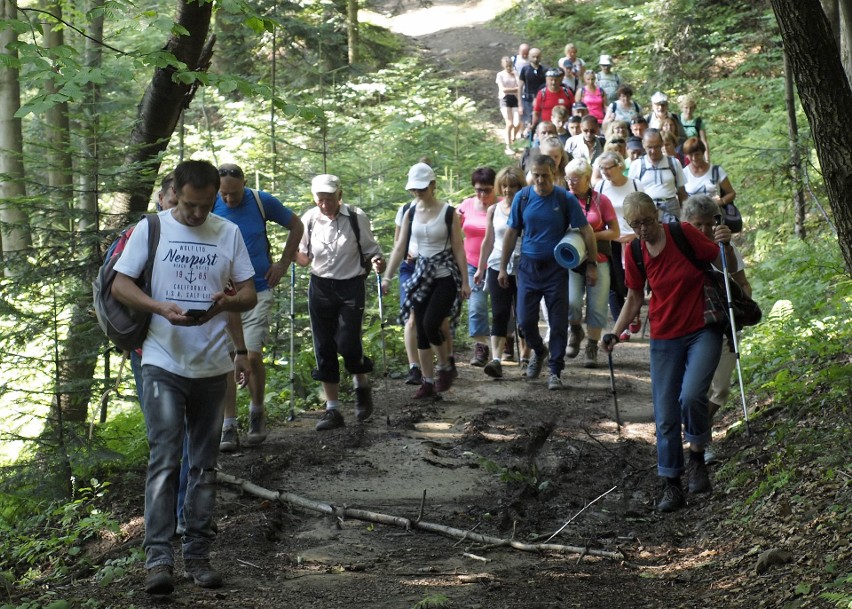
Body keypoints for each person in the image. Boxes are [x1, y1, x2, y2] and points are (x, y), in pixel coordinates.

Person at [113, 159, 257, 594]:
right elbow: (121, 285)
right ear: (175, 191)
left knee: (204, 465)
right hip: (162, 360)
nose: (197, 214)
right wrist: (159, 307)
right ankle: (159, 560)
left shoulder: (227, 232)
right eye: (191, 205)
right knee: (164, 459)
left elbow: (248, 293)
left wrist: (225, 304)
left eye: (206, 205)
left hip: (213, 367)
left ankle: (198, 555)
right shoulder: (151, 229)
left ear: (216, 194)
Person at [601, 191, 734, 513]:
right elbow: (634, 297)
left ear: (657, 217)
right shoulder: (633, 251)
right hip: (664, 336)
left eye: (647, 221)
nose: (643, 229)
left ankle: (697, 456)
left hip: (703, 327)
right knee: (665, 417)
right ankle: (671, 484)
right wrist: (614, 332)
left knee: (691, 396)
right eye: (636, 224)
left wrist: (725, 243)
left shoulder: (683, 233)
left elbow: (720, 261)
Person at [214, 163, 304, 450]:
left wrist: (283, 262)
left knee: (251, 356)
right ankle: (229, 425)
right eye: (224, 194)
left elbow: (296, 225)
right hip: (223, 295)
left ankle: (256, 411)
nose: (229, 199)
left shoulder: (261, 200)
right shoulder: (210, 204)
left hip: (258, 289)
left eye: (234, 194)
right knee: (227, 360)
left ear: (244, 184)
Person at [499, 154, 598, 390]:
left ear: (554, 174)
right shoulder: (522, 198)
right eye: (536, 174)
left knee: (557, 321)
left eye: (545, 175)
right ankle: (539, 351)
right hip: (528, 269)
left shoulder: (564, 199)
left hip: (556, 270)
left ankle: (555, 370)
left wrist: (592, 263)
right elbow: (511, 233)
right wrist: (503, 267)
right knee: (524, 321)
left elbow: (586, 231)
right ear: (531, 174)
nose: (540, 179)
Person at [295, 174, 384, 431]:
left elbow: (371, 250)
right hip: (320, 286)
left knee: (348, 342)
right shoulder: (310, 219)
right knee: (323, 346)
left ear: (339, 195)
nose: (325, 204)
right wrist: (289, 254)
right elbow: (303, 257)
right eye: (320, 199)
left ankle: (361, 385)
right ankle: (333, 410)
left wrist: (378, 261)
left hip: (351, 286)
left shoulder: (356, 217)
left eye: (329, 199)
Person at [383, 163, 470, 398]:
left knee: (432, 323)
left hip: (444, 276)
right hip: (420, 275)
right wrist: (387, 277)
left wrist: (465, 281)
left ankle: (444, 367)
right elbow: (400, 246)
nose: (418, 193)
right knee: (421, 330)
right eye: (414, 189)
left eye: (422, 188)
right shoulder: (410, 212)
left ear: (433, 185)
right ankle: (428, 382)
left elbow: (459, 248)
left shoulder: (448, 212)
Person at [681, 195, 752, 462]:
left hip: (723, 323)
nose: (703, 230)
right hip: (690, 327)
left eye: (708, 224)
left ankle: (696, 430)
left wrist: (742, 304)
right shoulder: (679, 249)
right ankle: (701, 441)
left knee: (720, 388)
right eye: (696, 224)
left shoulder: (726, 249)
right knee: (697, 390)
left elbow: (742, 282)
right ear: (686, 223)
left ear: (717, 223)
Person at [564, 159, 619, 368]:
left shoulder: (600, 200)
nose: (570, 183)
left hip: (599, 259)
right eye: (568, 178)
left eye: (575, 179)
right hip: (570, 260)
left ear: (587, 179)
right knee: (571, 302)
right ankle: (575, 330)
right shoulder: (563, 199)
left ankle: (592, 345)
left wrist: (589, 237)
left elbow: (615, 231)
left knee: (597, 305)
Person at [473, 166, 527, 377]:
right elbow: (489, 240)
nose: (507, 190)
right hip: (496, 265)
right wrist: (480, 267)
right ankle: (496, 360)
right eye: (504, 186)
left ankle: (526, 357)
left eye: (512, 186)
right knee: (499, 313)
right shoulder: (493, 210)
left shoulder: (527, 207)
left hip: (523, 265)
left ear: (520, 187)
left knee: (523, 314)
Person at [595, 151, 644, 336]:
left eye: (609, 167)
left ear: (620, 166)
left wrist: (636, 234)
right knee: (614, 284)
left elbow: (645, 210)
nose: (606, 171)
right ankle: (620, 327)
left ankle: (635, 311)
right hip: (611, 240)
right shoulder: (599, 187)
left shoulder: (635, 184)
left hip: (634, 239)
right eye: (602, 168)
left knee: (633, 281)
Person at [458, 168, 498, 367]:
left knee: (502, 306)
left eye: (487, 190)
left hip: (498, 263)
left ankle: (505, 340)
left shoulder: (502, 205)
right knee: (476, 307)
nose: (482, 195)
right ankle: (481, 347)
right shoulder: (466, 205)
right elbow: (455, 232)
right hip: (472, 263)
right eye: (478, 190)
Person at [628, 129, 687, 221]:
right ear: (643, 144)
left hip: (671, 208)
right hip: (646, 209)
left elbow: (682, 192)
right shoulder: (636, 165)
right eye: (649, 147)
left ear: (662, 143)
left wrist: (685, 216)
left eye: (657, 146)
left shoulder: (674, 163)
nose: (653, 151)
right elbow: (631, 194)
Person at [682, 138, 736, 208]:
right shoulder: (683, 173)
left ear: (703, 152)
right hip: (692, 215)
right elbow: (681, 197)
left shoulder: (717, 171)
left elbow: (731, 193)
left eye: (697, 154)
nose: (694, 158)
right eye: (690, 155)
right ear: (686, 155)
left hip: (714, 214)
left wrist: (722, 201)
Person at [496, 57, 521, 154]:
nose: (509, 68)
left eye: (510, 66)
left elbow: (520, 87)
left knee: (517, 123)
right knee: (509, 123)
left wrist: (516, 76)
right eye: (507, 67)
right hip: (504, 99)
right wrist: (515, 89)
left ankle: (513, 138)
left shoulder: (515, 74)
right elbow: (503, 89)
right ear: (503, 66)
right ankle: (508, 145)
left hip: (515, 99)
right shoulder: (500, 75)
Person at [518, 48, 546, 135]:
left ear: (540, 57)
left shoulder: (544, 70)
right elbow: (520, 87)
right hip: (527, 100)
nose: (535, 59)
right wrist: (520, 104)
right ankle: (526, 144)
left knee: (539, 123)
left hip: (541, 100)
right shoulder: (525, 69)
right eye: (533, 57)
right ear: (529, 57)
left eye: (537, 57)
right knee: (527, 123)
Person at [678, 94, 709, 162]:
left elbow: (704, 141)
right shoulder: (677, 120)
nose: (688, 110)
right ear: (682, 108)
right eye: (686, 107)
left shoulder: (698, 122)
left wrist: (707, 159)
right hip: (679, 154)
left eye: (691, 108)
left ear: (694, 108)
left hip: (694, 154)